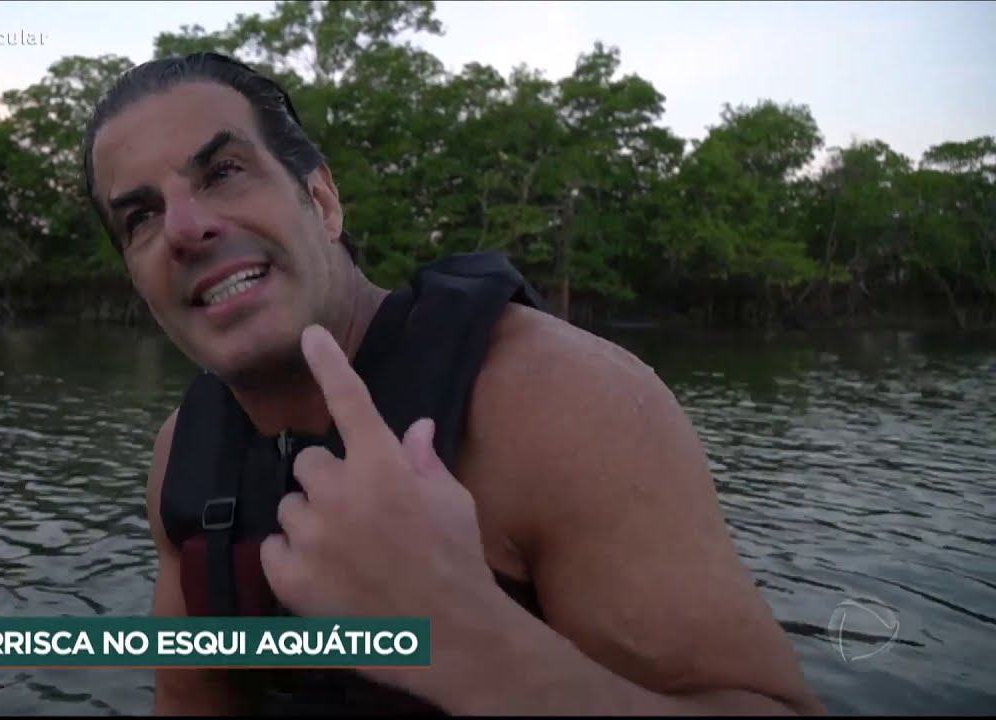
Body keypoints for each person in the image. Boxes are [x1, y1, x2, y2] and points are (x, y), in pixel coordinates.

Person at [81, 51, 826, 716]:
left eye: (224, 172)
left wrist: (469, 642)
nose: (185, 228)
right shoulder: (185, 454)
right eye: (141, 217)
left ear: (323, 202)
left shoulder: (559, 401)